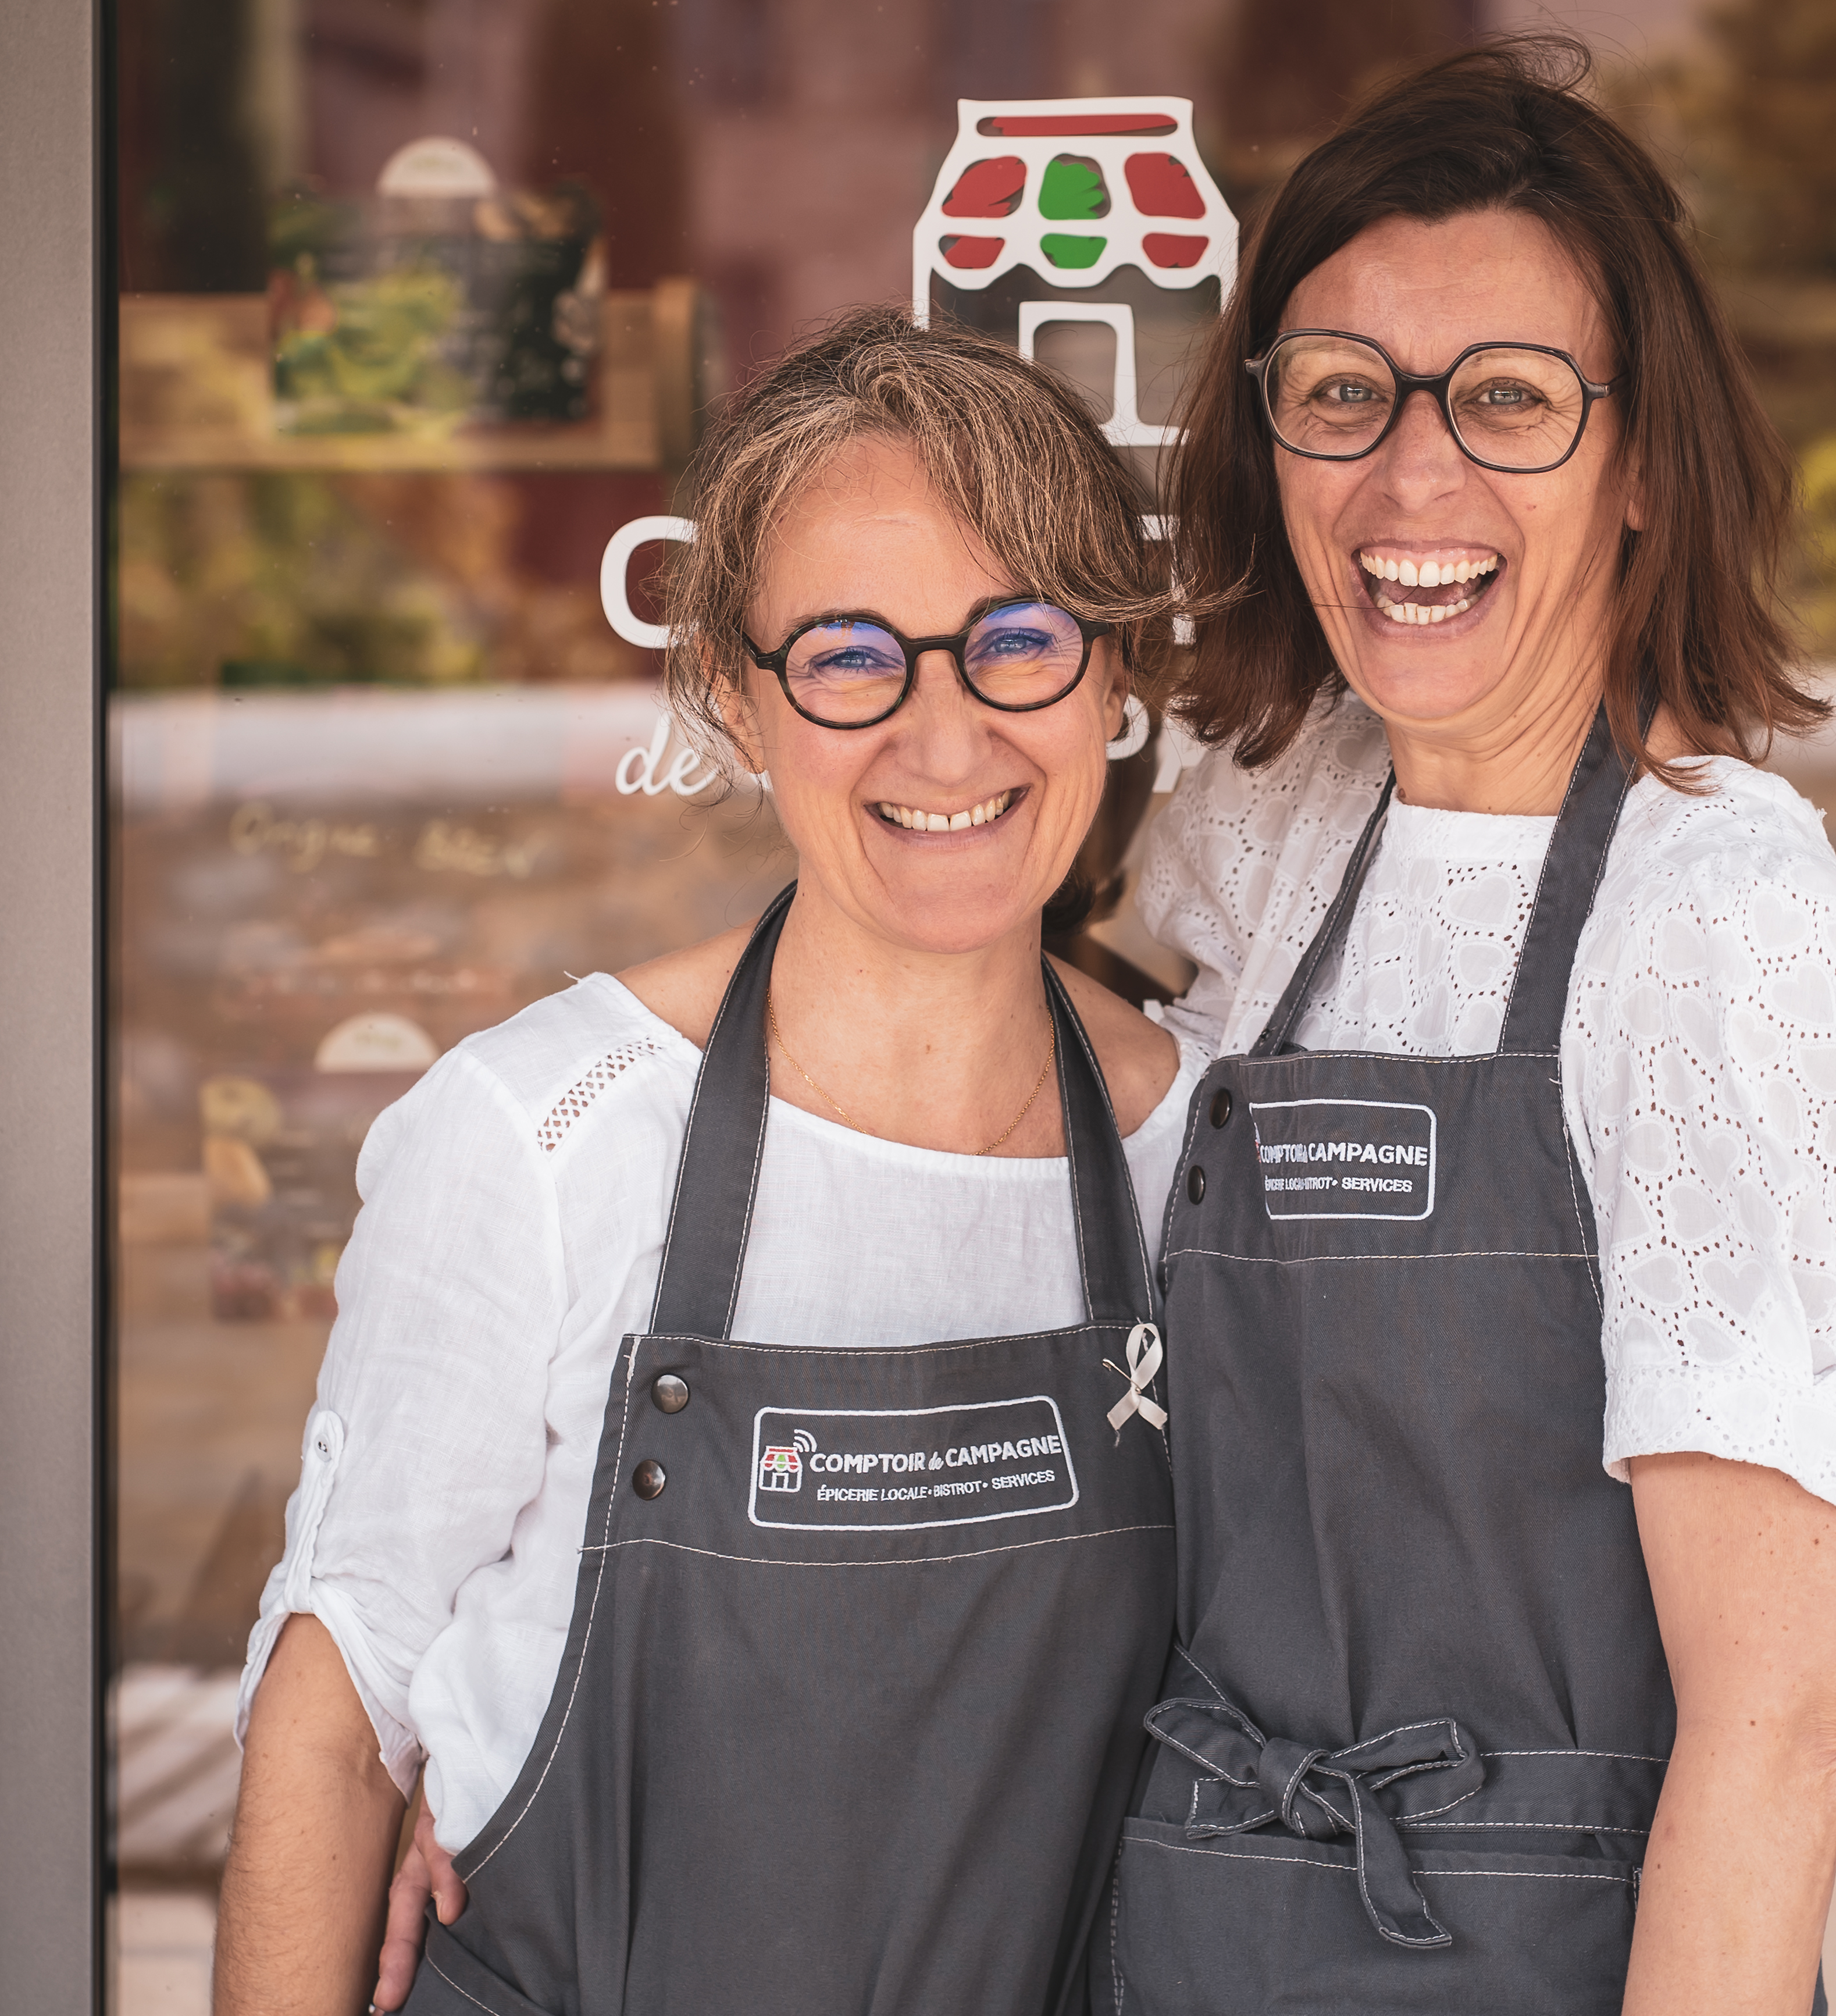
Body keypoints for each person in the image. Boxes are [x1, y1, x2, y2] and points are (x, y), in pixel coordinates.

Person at [1103, 40, 1836, 2014]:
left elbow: (1784, 1732)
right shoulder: (1271, 838)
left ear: (1645, 473)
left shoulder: (1731, 947)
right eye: (1342, 393)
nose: (1408, 477)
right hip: (1190, 1934)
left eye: (1505, 400)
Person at [213, 306, 1201, 2016]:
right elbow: (336, 1705)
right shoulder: (543, 1131)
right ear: (740, 701)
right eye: (846, 657)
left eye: (1017, 638)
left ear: (1112, 678)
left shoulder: (1202, 1153)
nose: (944, 733)